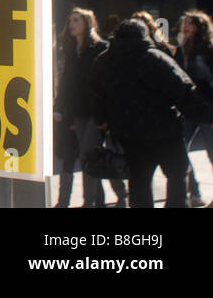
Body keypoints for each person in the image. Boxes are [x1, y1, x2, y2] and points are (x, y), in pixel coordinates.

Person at [90, 18, 213, 208]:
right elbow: (183, 93)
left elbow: (95, 95)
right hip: (164, 132)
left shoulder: (103, 61)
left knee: (139, 182)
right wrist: (207, 114)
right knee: (176, 175)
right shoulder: (155, 58)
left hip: (127, 134)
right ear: (144, 35)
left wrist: (102, 120)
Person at [54, 7, 123, 207]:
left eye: (76, 20)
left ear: (87, 23)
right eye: (70, 20)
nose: (71, 24)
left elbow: (109, 82)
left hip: (97, 111)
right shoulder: (71, 50)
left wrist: (108, 112)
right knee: (92, 157)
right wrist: (59, 107)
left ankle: (92, 201)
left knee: (88, 154)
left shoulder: (101, 47)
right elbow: (66, 82)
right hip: (78, 112)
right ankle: (103, 200)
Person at [177, 10, 213, 207]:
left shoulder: (209, 50)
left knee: (212, 153)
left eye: (190, 24)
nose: (186, 27)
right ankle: (194, 192)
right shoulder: (182, 50)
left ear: (199, 27)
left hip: (207, 109)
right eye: (185, 24)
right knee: (181, 152)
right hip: (188, 108)